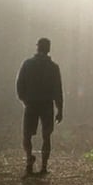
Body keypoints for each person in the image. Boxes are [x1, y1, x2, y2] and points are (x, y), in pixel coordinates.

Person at [15, 37, 63, 175]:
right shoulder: (53, 68)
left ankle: (29, 161)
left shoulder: (27, 64)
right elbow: (57, 90)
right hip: (47, 105)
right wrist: (60, 109)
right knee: (46, 136)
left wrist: (24, 99)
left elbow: (19, 84)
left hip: (31, 104)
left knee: (27, 135)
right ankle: (44, 167)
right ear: (48, 49)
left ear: (37, 48)